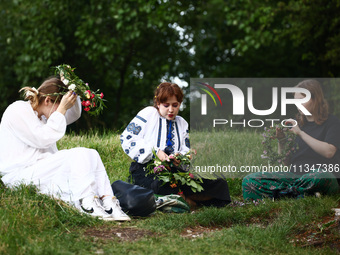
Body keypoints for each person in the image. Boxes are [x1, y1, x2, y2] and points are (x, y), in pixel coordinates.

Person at [0, 77, 130, 221]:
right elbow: (42, 138)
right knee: (78, 154)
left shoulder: (43, 116)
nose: (60, 113)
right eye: (60, 105)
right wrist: (61, 108)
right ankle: (86, 203)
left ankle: (108, 202)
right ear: (48, 100)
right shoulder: (18, 110)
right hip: (19, 175)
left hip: (41, 170)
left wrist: (71, 88)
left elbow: (72, 114)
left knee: (91, 153)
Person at [121, 82, 231, 207]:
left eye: (175, 105)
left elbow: (185, 148)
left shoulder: (182, 123)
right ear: (158, 103)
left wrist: (180, 157)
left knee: (218, 181)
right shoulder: (148, 114)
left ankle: (184, 199)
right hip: (147, 169)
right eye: (166, 105)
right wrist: (156, 153)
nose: (171, 110)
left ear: (180, 104)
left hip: (176, 171)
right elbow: (128, 138)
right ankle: (188, 200)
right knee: (160, 184)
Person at [242, 79, 340, 200]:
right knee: (250, 180)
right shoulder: (298, 125)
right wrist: (281, 140)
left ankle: (284, 194)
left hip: (319, 176)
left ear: (316, 99)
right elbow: (286, 162)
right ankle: (297, 194)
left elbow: (329, 152)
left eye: (302, 100)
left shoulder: (332, 122)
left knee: (322, 176)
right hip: (295, 177)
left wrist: (300, 133)